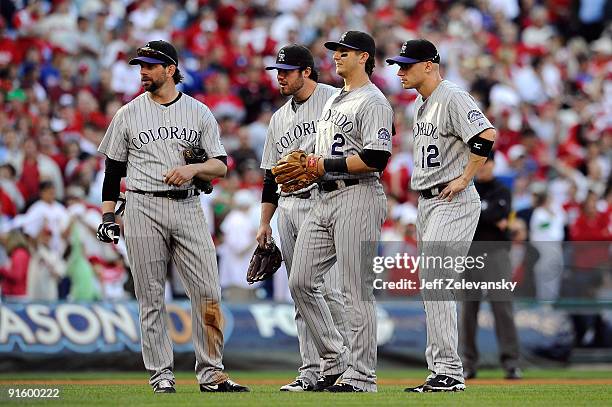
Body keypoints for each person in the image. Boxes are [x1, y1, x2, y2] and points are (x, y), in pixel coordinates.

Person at [96, 40, 248, 394]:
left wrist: (192, 168)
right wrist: (107, 216)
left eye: (149, 66)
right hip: (142, 206)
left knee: (208, 292)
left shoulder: (198, 112)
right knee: (150, 296)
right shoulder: (127, 113)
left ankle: (212, 373)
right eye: (140, 66)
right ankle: (160, 373)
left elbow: (220, 166)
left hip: (187, 205)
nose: (143, 72)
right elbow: (112, 170)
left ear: (170, 69)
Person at [387, 39, 496, 392]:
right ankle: (440, 370)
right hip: (429, 200)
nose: (400, 71)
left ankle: (449, 370)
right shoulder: (421, 104)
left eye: (407, 65)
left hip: (453, 197)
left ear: (430, 65)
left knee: (436, 282)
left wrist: (465, 178)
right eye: (400, 65)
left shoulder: (451, 95)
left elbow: (486, 134)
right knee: (432, 286)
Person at [287, 31, 393, 392]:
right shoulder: (335, 100)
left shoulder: (374, 101)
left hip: (358, 196)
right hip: (325, 197)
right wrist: (307, 166)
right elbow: (322, 158)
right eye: (335, 51)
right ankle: (335, 360)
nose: (336, 56)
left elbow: (376, 158)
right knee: (300, 279)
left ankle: (362, 375)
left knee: (354, 289)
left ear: (364, 57)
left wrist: (323, 164)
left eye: (344, 52)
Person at [257, 44, 349, 391]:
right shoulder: (279, 118)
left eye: (286, 71)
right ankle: (311, 369)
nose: (279, 77)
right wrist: (265, 222)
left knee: (330, 289)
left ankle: (346, 366)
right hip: (289, 205)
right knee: (300, 293)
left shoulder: (335, 99)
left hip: (325, 199)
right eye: (277, 71)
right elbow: (270, 176)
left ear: (306, 71)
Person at [460, 152, 522, 380]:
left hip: (496, 253)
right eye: (480, 162)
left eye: (487, 162)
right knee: (468, 310)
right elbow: (469, 217)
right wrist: (489, 216)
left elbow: (500, 213)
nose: (483, 166)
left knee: (502, 307)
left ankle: (511, 362)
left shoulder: (501, 189)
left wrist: (480, 214)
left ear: (494, 164)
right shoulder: (467, 187)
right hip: (470, 253)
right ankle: (467, 363)